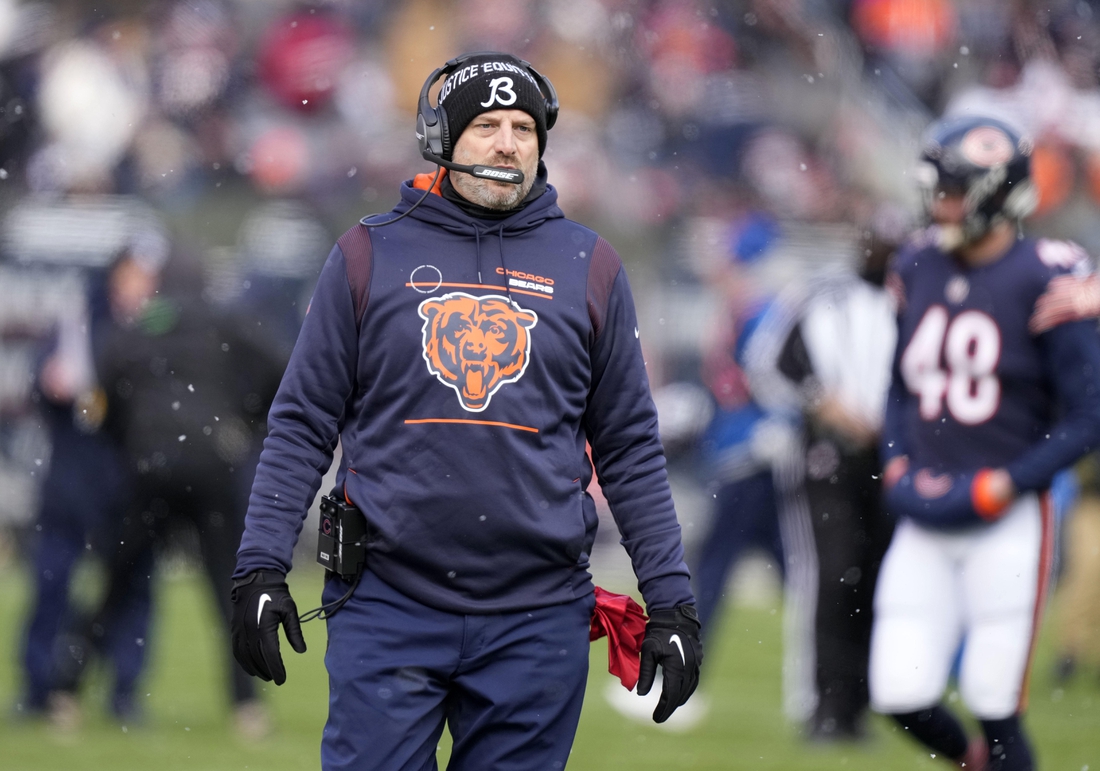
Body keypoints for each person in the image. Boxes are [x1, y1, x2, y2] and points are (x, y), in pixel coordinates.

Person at [229, 51, 702, 770]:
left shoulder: (591, 265)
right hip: (387, 600)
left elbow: (630, 447)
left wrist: (671, 599)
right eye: (485, 125)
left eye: (523, 127)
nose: (508, 142)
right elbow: (301, 423)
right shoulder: (366, 254)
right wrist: (259, 564)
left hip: (537, 614)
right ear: (442, 139)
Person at [871, 115, 1100, 771]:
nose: (938, 203)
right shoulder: (916, 263)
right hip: (926, 508)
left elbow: (1089, 414)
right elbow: (898, 387)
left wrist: (1013, 479)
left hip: (1006, 515)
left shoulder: (1048, 274)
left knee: (994, 699)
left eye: (952, 189)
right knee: (899, 691)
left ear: (996, 192)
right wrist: (895, 460)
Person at [92, 248, 283, 733]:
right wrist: (246, 421)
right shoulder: (226, 319)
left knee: (118, 582)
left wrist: (131, 440)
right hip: (212, 467)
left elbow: (107, 384)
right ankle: (246, 707)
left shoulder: (143, 323)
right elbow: (282, 368)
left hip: (149, 467)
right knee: (229, 590)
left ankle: (63, 691)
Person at [763, 216, 899, 742]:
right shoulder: (821, 295)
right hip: (828, 455)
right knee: (832, 573)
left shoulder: (914, 301)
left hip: (890, 457)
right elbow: (770, 364)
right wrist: (827, 404)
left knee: (874, 577)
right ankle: (821, 704)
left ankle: (857, 706)